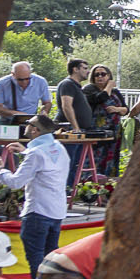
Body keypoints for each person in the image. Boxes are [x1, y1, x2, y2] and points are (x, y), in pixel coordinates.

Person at [0, 114, 69, 279]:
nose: (26, 125)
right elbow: (46, 162)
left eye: (28, 123)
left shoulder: (36, 153)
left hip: (37, 211)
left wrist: (0, 170)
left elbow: (16, 182)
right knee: (50, 259)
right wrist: (25, 151)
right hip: (56, 212)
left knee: (36, 260)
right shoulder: (59, 148)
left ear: (35, 130)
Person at [55, 58, 94, 191]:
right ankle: (64, 190)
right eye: (85, 68)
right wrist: (76, 127)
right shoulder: (68, 84)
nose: (88, 71)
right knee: (68, 162)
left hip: (79, 130)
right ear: (75, 69)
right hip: (70, 130)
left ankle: (72, 191)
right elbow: (66, 106)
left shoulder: (77, 86)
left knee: (75, 164)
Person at [84, 65, 127, 179]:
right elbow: (101, 98)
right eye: (96, 75)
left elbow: (126, 110)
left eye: (103, 74)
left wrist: (116, 109)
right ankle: (90, 184)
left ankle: (108, 184)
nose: (100, 77)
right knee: (94, 160)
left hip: (114, 132)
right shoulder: (89, 90)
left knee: (111, 160)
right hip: (96, 132)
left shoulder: (115, 92)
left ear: (109, 76)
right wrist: (109, 86)